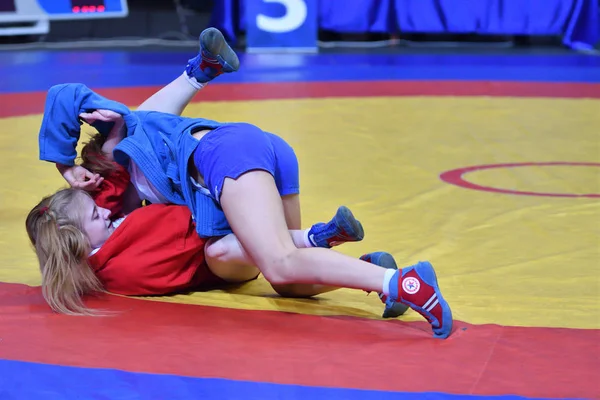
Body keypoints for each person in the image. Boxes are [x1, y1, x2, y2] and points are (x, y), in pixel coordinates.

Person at [35, 29, 452, 338]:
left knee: (277, 262)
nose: (105, 211)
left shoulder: (116, 166)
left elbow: (72, 97)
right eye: (96, 214)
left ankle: (405, 283)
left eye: (96, 205)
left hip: (224, 157)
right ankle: (369, 272)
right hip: (256, 152)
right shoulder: (118, 213)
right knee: (289, 280)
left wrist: (64, 165)